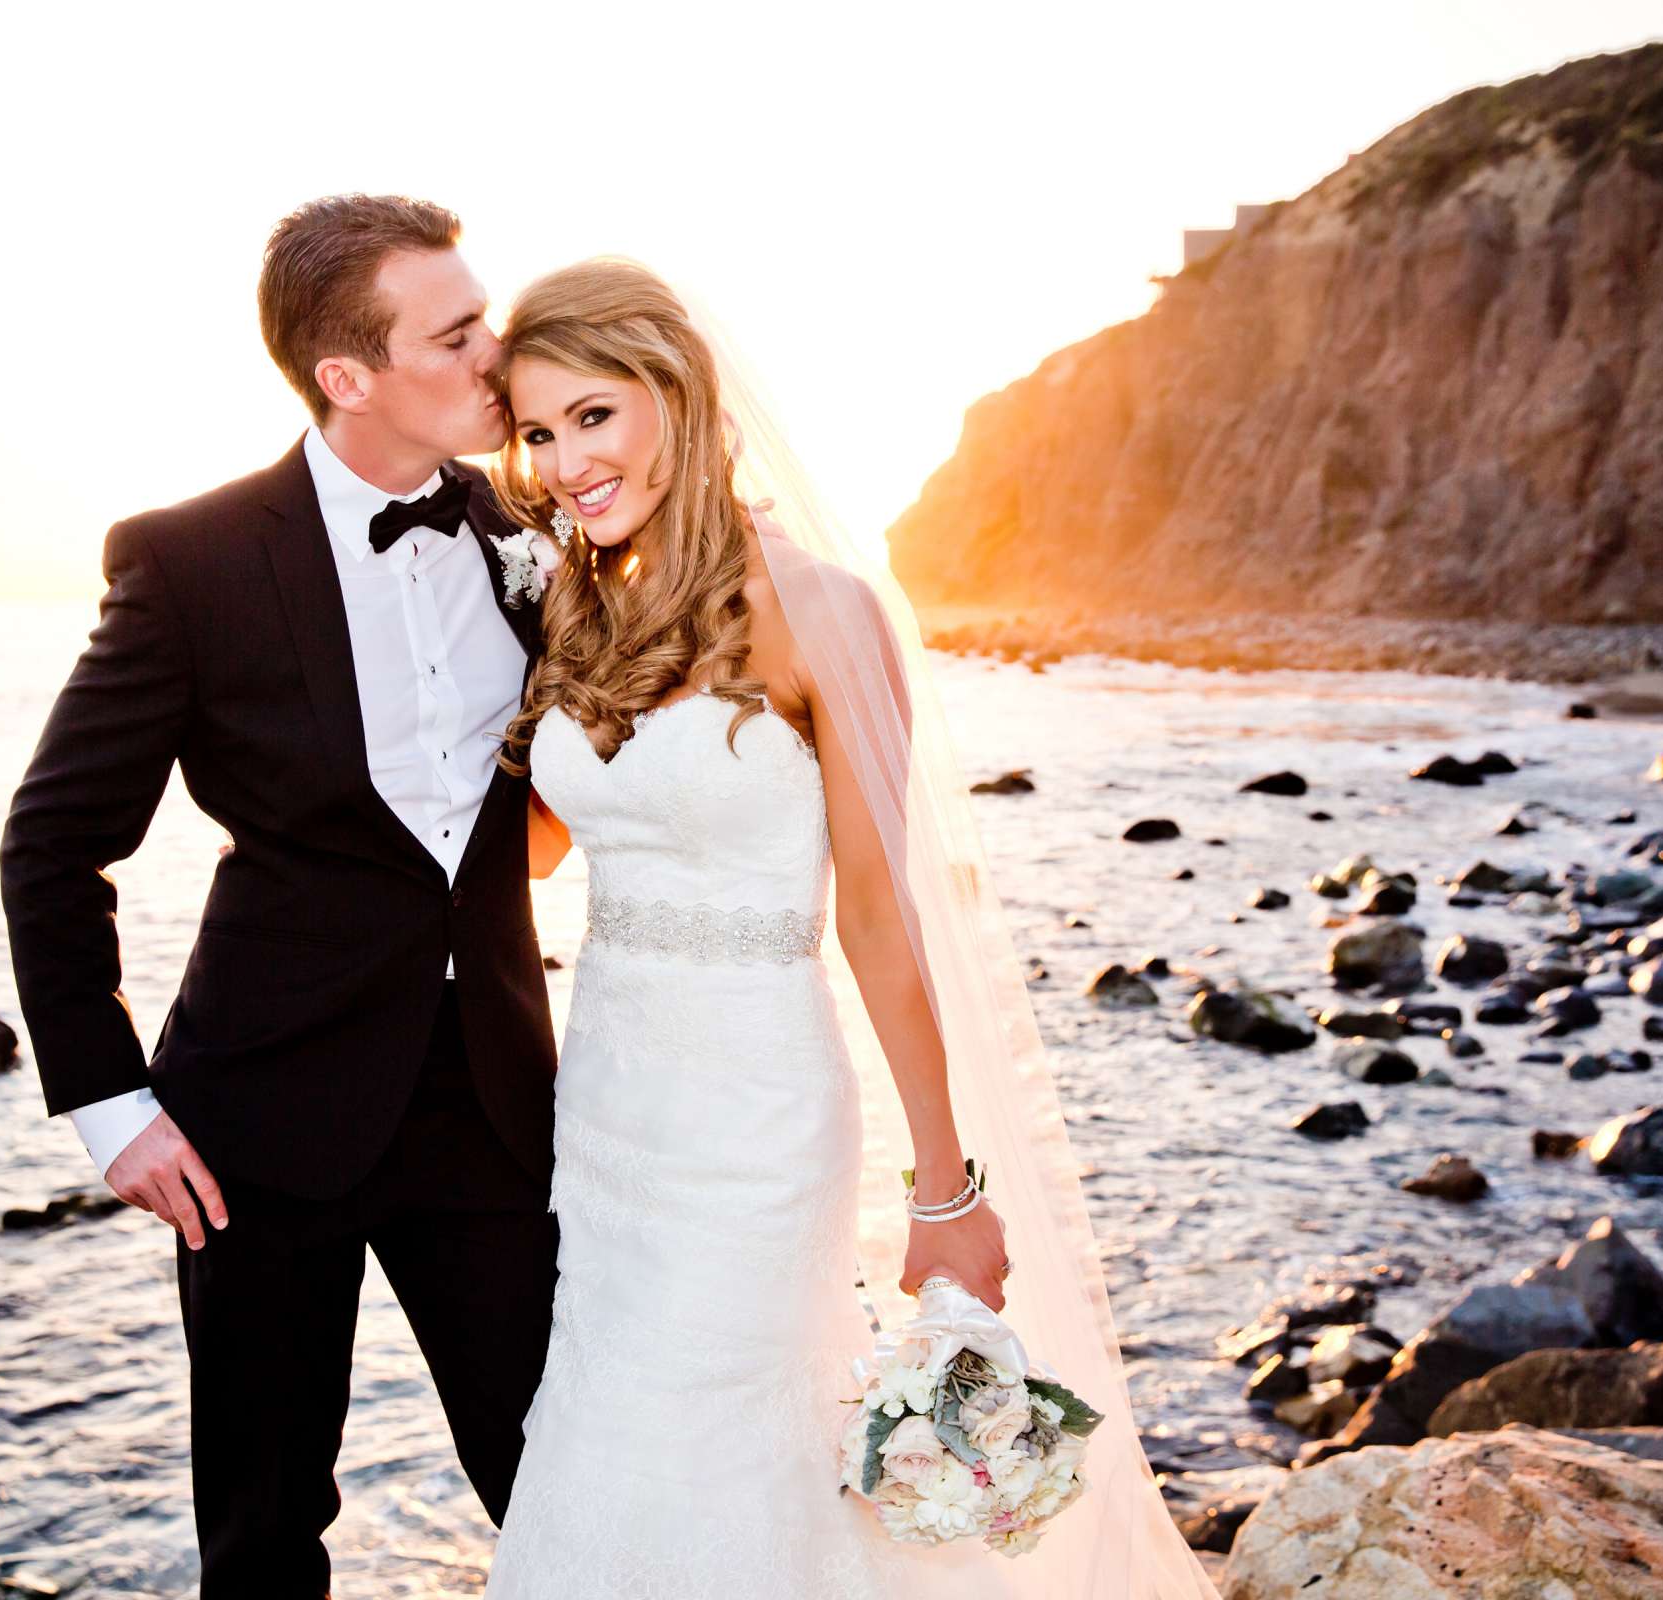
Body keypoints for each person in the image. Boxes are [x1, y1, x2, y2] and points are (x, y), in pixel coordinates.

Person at [479, 260, 1220, 1597]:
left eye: (595, 415)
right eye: (537, 433)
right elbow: (526, 850)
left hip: (757, 1116)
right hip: (605, 1108)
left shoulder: (821, 607)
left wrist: (947, 1189)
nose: (563, 461)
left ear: (677, 392)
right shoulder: (579, 603)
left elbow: (881, 920)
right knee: (605, 1423)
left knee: (721, 1426)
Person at [0, 194, 559, 1600]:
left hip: (492, 1104)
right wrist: (109, 1105)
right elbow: (54, 841)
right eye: (459, 333)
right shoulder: (191, 563)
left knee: (558, 1473)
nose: (501, 353)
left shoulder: (541, 530)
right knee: (263, 1531)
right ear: (348, 377)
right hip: (251, 1121)